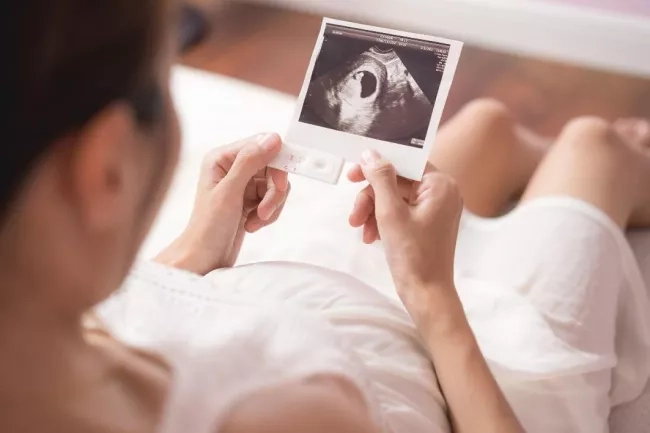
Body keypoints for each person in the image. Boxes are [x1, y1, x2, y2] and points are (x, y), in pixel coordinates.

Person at [2, 1, 649, 433]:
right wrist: (431, 294)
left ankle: (551, 163)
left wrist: (196, 251)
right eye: (164, 72)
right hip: (466, 367)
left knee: (485, 127)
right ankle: (612, 160)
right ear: (106, 169)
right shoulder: (293, 412)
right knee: (593, 144)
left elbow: (105, 317)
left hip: (310, 284)